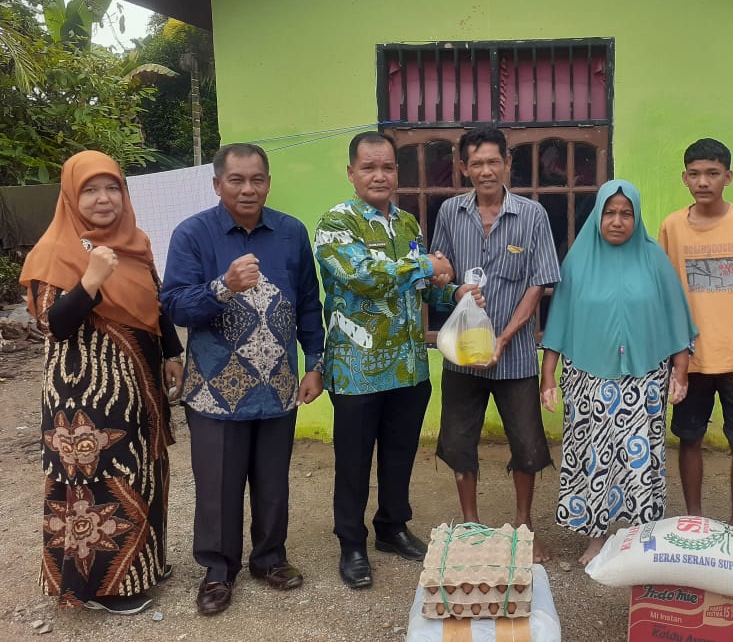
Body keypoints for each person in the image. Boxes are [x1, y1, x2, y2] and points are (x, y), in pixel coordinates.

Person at [160, 143, 324, 616]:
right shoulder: (193, 234)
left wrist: (315, 363)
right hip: (215, 391)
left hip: (277, 385)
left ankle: (270, 559)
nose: (248, 188)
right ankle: (217, 570)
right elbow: (174, 304)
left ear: (268, 183)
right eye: (236, 179)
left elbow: (309, 303)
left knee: (273, 482)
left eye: (257, 179)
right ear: (217, 184)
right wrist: (223, 287)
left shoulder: (290, 232)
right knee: (218, 485)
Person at [314, 132, 483, 590]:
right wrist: (430, 267)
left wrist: (454, 292)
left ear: (397, 173)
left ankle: (391, 527)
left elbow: (423, 288)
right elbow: (363, 276)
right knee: (353, 461)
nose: (379, 175)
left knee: (399, 455)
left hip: (408, 366)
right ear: (351, 172)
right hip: (357, 368)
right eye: (369, 167)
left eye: (387, 167)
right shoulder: (336, 223)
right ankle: (351, 542)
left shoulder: (408, 224)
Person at [19, 150, 182, 615]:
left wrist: (172, 351)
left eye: (112, 188)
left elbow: (155, 302)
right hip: (84, 396)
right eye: (90, 189)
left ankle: (143, 567)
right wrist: (90, 280)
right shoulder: (53, 251)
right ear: (72, 195)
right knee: (98, 481)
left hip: (138, 387)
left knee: (144, 472)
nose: (103, 198)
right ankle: (99, 588)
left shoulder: (136, 242)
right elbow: (53, 325)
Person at [540, 180, 697, 565]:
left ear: (636, 217)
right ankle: (595, 537)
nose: (617, 221)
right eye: (609, 212)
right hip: (588, 376)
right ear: (597, 216)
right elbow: (558, 321)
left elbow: (675, 314)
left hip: (644, 377)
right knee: (593, 455)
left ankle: (634, 536)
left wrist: (682, 368)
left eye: (626, 213)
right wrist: (547, 376)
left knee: (639, 457)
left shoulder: (653, 257)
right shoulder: (577, 261)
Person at [431, 125, 561, 563]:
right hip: (463, 356)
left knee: (526, 443)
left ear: (508, 163)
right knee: (459, 440)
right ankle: (470, 524)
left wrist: (504, 338)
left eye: (494, 161)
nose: (486, 170)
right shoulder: (450, 212)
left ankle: (523, 526)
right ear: (463, 167)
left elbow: (539, 282)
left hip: (517, 355)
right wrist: (454, 293)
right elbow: (437, 275)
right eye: (477, 163)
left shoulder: (532, 215)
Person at [658, 138, 733, 530]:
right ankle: (694, 519)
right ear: (684, 178)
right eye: (694, 174)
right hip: (688, 357)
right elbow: (667, 290)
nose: (703, 181)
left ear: (728, 176)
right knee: (688, 438)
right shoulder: (673, 226)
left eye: (712, 173)